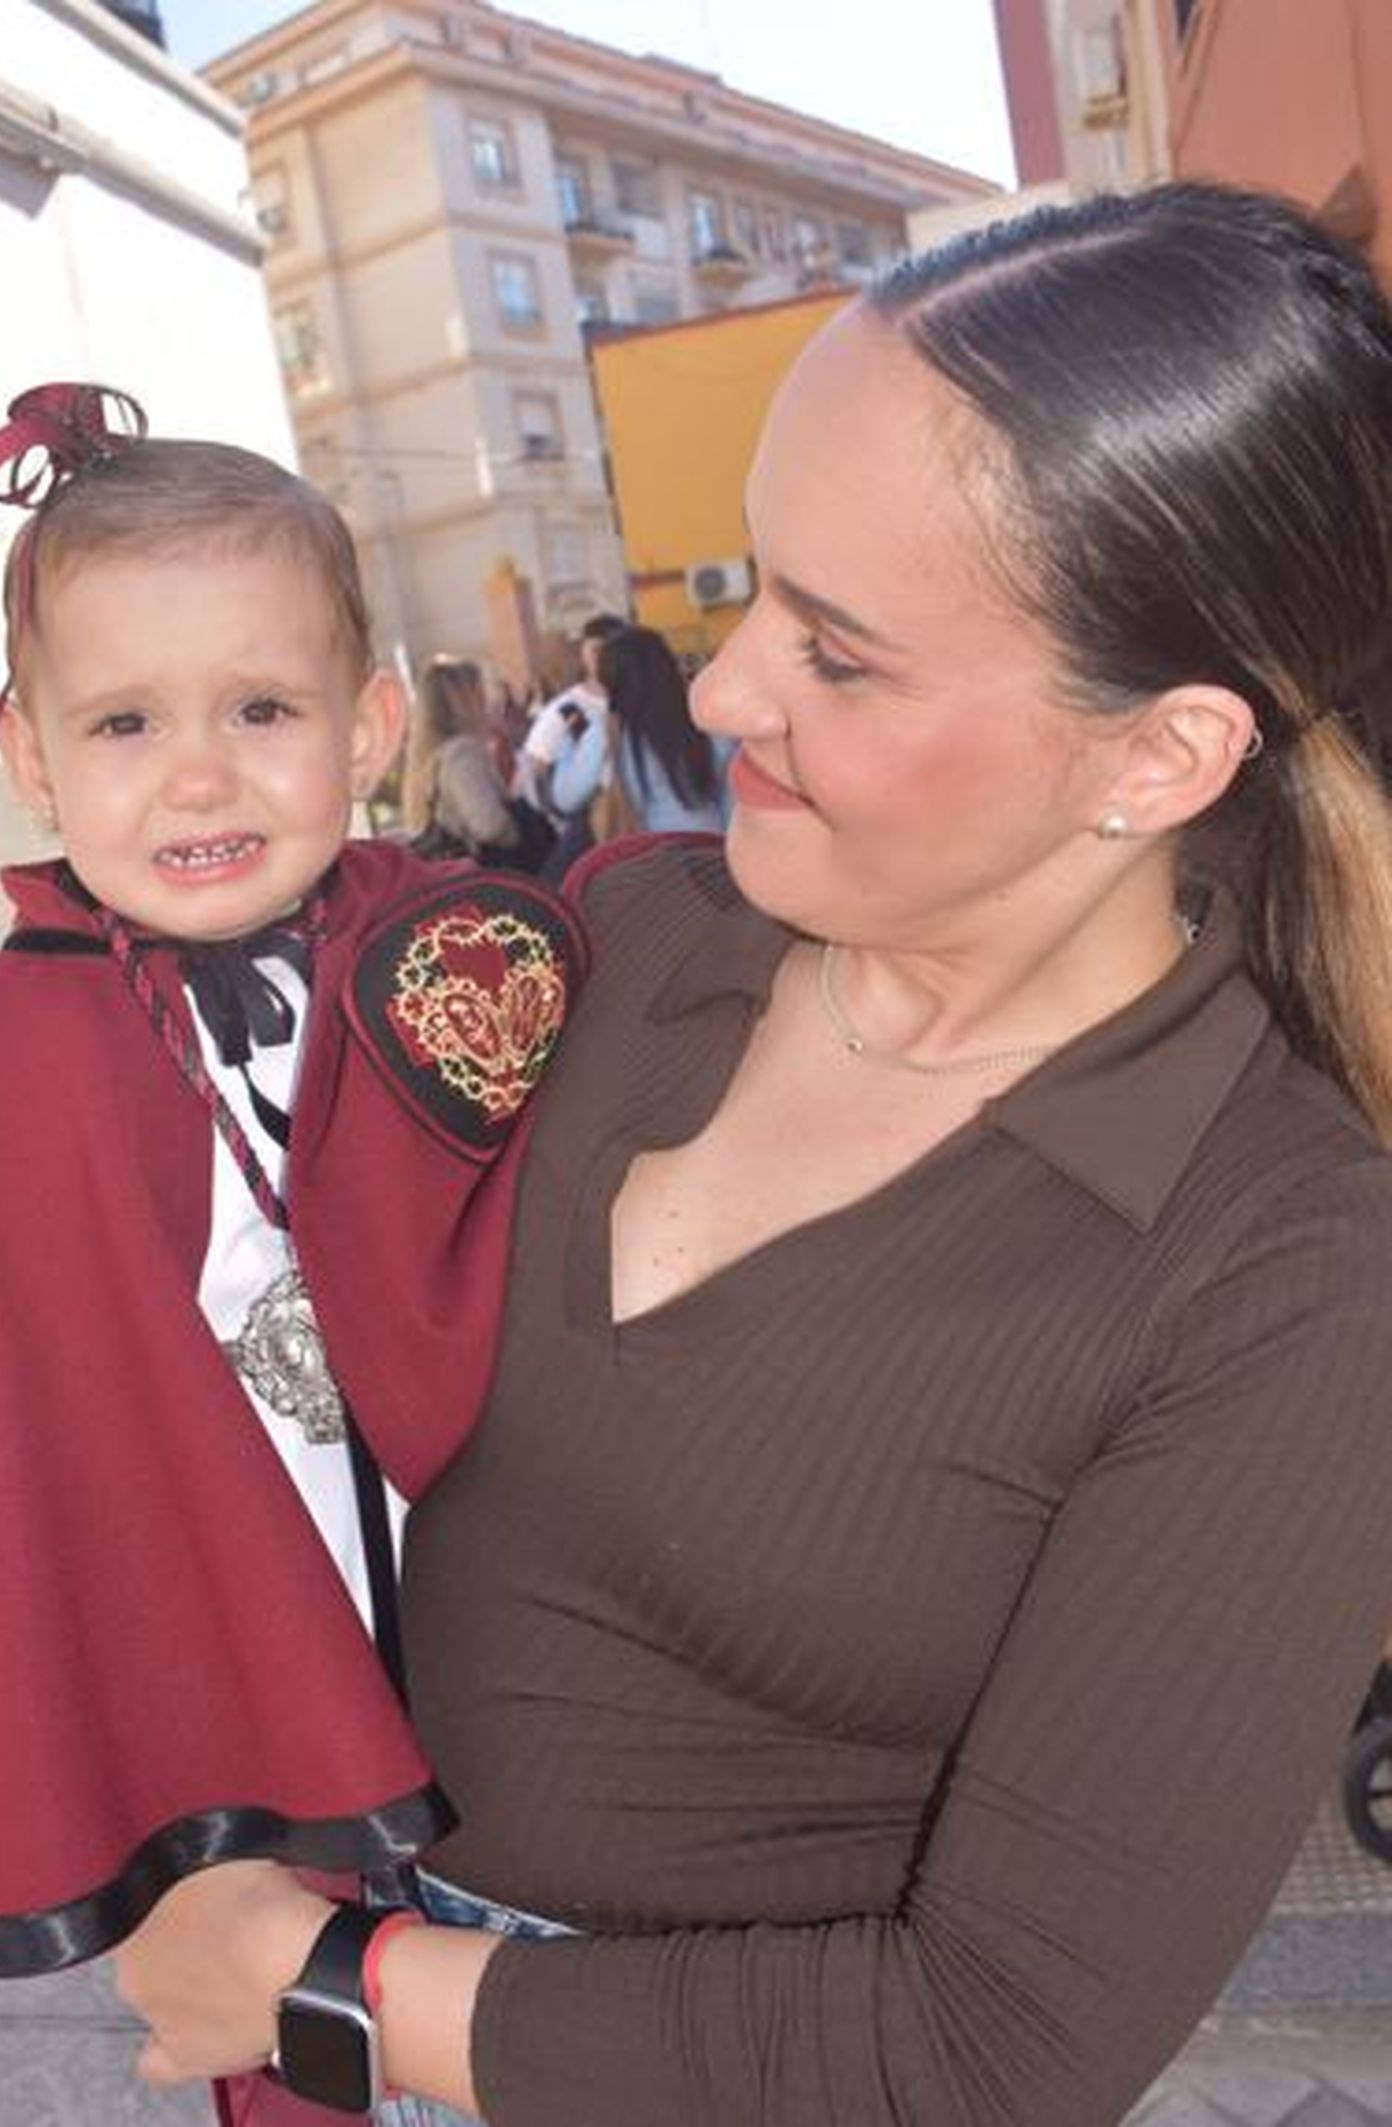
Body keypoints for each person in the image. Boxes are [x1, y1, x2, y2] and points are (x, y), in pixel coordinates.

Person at [117, 182, 1392, 2127]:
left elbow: (1000, 2038)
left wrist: (328, 1988)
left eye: (841, 654)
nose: (715, 692)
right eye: (751, 591)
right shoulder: (623, 933)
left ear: (1154, 755)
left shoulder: (1285, 1257)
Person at [0, 384, 583, 1978]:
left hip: (528, 1673)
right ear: (30, 752)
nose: (200, 779)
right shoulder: (4, 1061)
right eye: (126, 722)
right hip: (244, 1731)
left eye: (262, 711)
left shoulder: (458, 953)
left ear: (368, 727)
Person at [549, 623, 731, 834]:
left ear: (612, 679)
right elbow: (731, 798)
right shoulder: (707, 716)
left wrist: (567, 747)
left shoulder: (610, 729)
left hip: (655, 855)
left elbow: (565, 798)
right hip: (715, 846)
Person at [404, 655, 553, 872]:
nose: (488, 702)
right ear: (465, 702)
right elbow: (490, 825)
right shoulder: (462, 754)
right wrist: (520, 836)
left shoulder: (427, 759)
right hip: (488, 874)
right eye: (480, 694)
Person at [517, 612, 627, 879]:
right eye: (595, 649)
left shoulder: (637, 701)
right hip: (585, 835)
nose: (602, 657)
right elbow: (534, 773)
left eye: (611, 649)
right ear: (583, 653)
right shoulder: (564, 710)